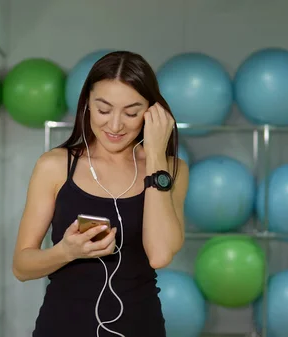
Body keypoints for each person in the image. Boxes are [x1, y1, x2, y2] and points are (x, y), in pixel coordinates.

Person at [12, 50, 190, 337]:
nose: (116, 125)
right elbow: (22, 266)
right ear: (87, 106)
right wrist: (66, 251)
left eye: (131, 113)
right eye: (104, 110)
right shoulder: (55, 166)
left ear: (151, 112)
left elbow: (159, 254)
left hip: (140, 326)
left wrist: (156, 156)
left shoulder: (170, 170)